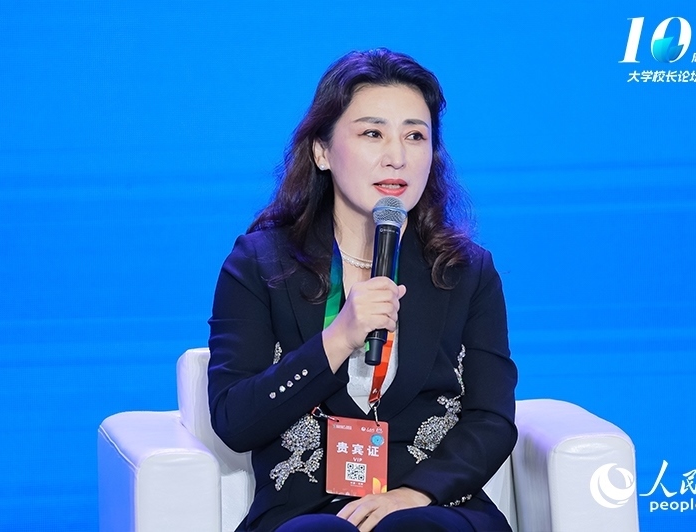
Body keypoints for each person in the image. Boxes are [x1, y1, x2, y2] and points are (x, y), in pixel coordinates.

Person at [208, 48, 517, 532]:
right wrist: (338, 339)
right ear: (322, 151)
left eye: (415, 135)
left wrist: (414, 495)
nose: (397, 156)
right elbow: (234, 421)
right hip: (306, 510)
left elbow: (491, 417)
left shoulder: (464, 270)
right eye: (373, 133)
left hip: (432, 505)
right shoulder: (260, 264)